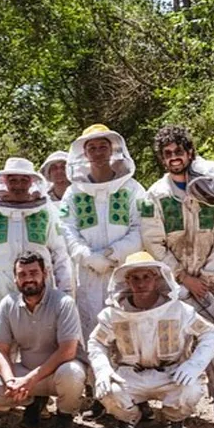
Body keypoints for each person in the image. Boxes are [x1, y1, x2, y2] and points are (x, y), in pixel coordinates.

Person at [140, 124, 214, 398]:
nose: (174, 157)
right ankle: (178, 409)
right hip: (174, 285)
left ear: (190, 153)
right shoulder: (155, 196)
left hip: (212, 283)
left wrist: (205, 279)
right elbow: (153, 242)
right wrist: (184, 278)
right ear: (162, 158)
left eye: (179, 151)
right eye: (168, 153)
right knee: (176, 343)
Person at [87, 252, 214, 428]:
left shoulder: (179, 310)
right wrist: (102, 369)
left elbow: (211, 334)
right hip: (130, 375)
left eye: (146, 277)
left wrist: (193, 365)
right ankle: (128, 419)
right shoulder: (113, 314)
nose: (141, 283)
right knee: (108, 390)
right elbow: (96, 342)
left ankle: (174, 419)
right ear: (127, 281)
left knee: (191, 388)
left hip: (172, 373)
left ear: (157, 278)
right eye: (135, 278)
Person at [0, 252, 86, 428]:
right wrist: (11, 381)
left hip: (58, 373)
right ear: (15, 278)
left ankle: (65, 415)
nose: (28, 279)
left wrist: (29, 380)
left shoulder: (63, 303)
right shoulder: (8, 304)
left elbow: (68, 351)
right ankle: (34, 402)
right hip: (27, 371)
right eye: (22, 274)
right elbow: (0, 349)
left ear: (45, 273)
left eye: (33, 273)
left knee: (73, 373)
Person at [60, 124, 147, 337]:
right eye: (92, 148)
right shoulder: (72, 193)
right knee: (92, 330)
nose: (98, 153)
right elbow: (66, 229)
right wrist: (88, 257)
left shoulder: (132, 188)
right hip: (87, 273)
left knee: (127, 329)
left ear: (112, 150)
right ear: (85, 153)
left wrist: (113, 253)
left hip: (125, 271)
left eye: (102, 147)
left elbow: (141, 226)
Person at [0, 157, 73, 323]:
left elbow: (59, 251)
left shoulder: (46, 210)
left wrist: (65, 288)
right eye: (13, 180)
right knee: (4, 336)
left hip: (39, 281)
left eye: (23, 180)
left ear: (31, 181)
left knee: (41, 334)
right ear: (5, 181)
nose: (18, 185)